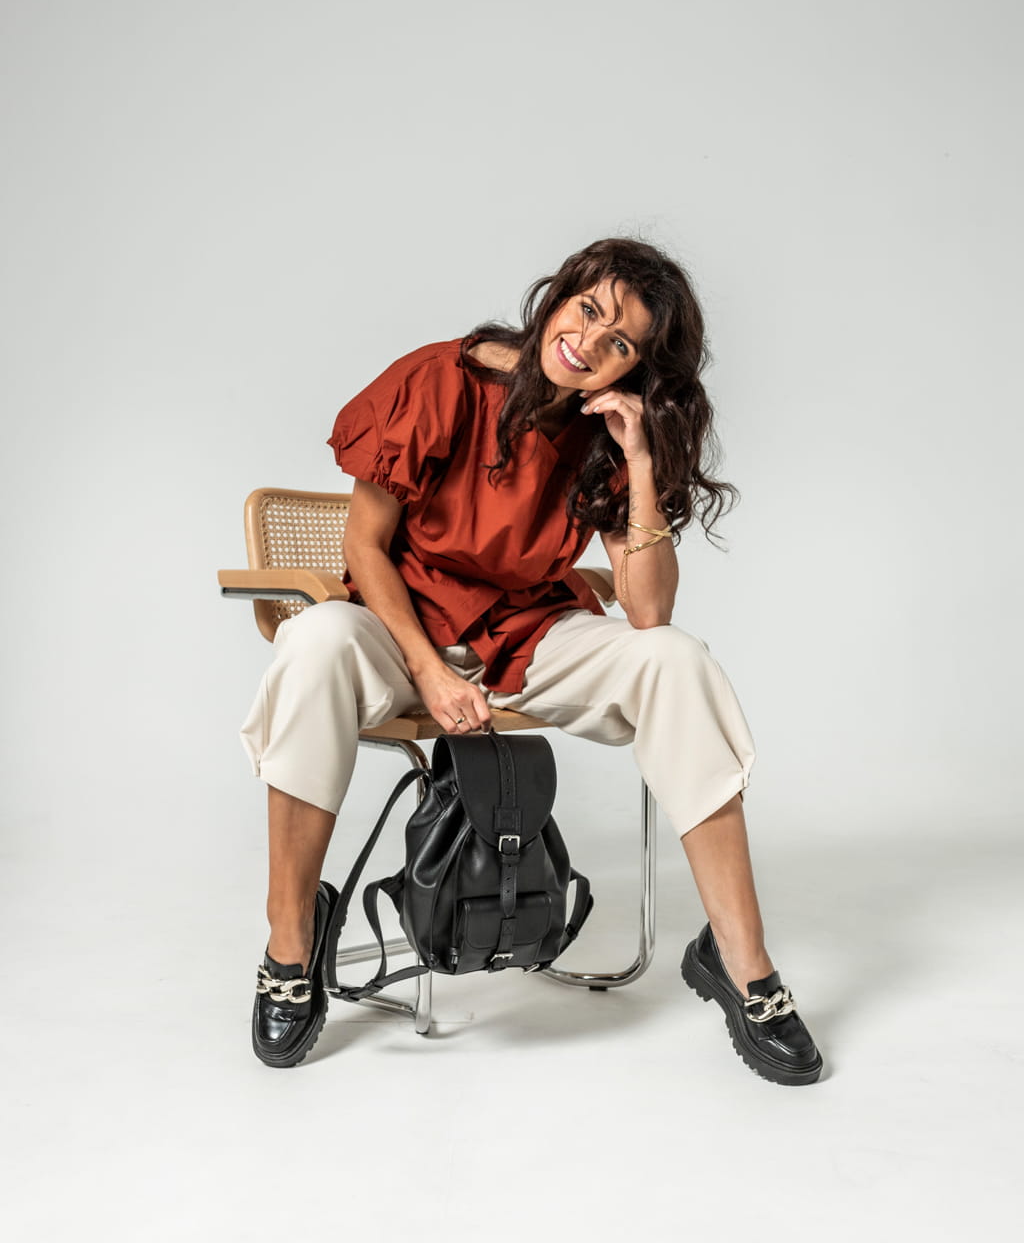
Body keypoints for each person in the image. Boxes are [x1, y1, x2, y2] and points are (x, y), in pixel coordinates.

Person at [240, 237, 823, 1084]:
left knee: (676, 660)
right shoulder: (440, 380)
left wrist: (639, 459)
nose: (587, 344)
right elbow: (364, 548)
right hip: (402, 631)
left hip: (524, 635)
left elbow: (649, 611)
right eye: (587, 311)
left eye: (619, 343)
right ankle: (290, 941)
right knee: (314, 639)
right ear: (558, 295)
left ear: (634, 368)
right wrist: (431, 673)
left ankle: (743, 964)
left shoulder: (603, 433)